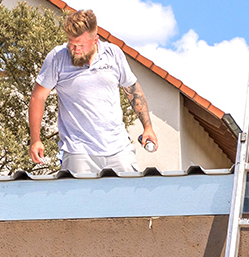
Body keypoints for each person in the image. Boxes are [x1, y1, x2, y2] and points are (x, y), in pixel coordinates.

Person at [29, 9, 156, 174]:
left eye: (80, 45)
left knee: (129, 196)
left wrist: (148, 127)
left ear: (95, 39)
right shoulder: (57, 58)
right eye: (71, 43)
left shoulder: (113, 54)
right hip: (78, 151)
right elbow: (37, 97)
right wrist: (35, 139)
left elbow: (132, 90)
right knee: (80, 199)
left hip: (118, 148)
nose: (74, 49)